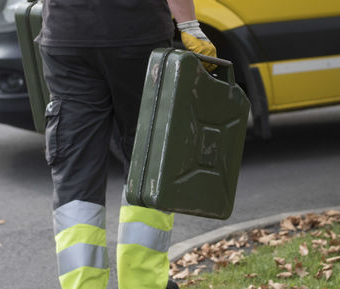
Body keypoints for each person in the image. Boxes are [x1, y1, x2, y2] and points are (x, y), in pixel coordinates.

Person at [35, 0, 217, 288]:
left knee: (76, 173)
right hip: (136, 35)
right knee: (148, 160)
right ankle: (142, 282)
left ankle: (83, 284)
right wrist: (189, 25)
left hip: (67, 37)